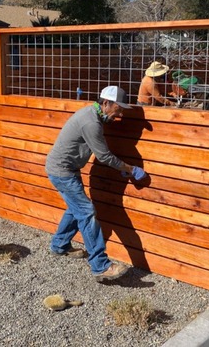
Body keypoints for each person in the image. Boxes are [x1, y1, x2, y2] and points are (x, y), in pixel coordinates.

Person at [45, 85, 147, 282]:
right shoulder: (91, 122)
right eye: (118, 109)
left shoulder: (93, 115)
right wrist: (129, 168)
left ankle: (60, 245)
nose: (118, 116)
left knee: (75, 208)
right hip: (62, 171)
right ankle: (100, 265)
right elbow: (105, 156)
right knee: (86, 212)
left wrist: (123, 168)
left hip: (65, 169)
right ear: (106, 103)